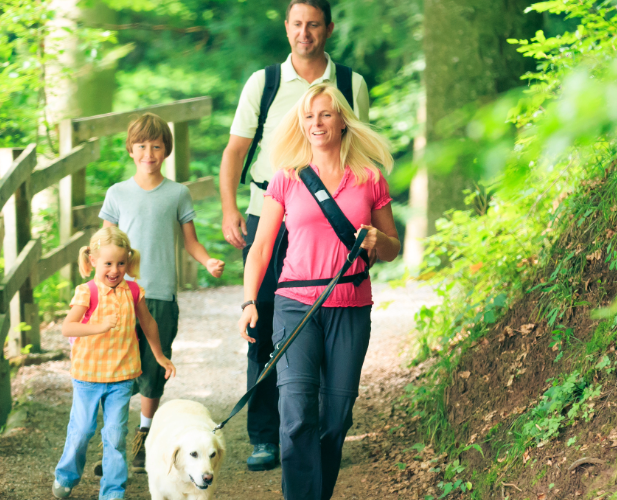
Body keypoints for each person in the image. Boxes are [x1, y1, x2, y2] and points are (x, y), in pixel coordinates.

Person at [218, 0, 370, 472]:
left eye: (314, 25)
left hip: (331, 217)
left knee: (329, 319)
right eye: (297, 25)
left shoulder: (350, 84)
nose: (305, 33)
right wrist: (228, 209)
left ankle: (321, 433)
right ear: (287, 29)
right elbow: (235, 151)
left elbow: (362, 145)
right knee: (264, 324)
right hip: (271, 210)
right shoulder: (262, 84)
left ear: (328, 28)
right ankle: (267, 436)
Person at [238, 83, 401, 500]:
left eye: (325, 114)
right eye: (309, 116)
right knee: (295, 416)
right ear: (300, 122)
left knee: (336, 418)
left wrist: (374, 241)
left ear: (342, 120)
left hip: (350, 307)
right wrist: (249, 302)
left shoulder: (369, 178)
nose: (316, 123)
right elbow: (259, 249)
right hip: (296, 306)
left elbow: (393, 249)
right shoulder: (287, 178)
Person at [99, 112, 225, 473]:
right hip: (121, 294)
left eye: (156, 146)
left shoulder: (177, 193)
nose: (149, 153)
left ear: (166, 150)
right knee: (117, 369)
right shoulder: (117, 193)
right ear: (131, 149)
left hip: (160, 296)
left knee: (154, 368)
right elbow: (105, 244)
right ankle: (112, 446)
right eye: (141, 146)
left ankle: (144, 434)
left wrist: (207, 262)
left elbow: (191, 242)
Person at [53, 226, 177, 500]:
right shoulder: (86, 292)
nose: (114, 269)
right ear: (94, 260)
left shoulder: (133, 291)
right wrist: (97, 326)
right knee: (82, 429)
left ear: (128, 262)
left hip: (121, 377)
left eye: (121, 263)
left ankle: (112, 491)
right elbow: (68, 328)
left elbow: (148, 323)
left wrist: (159, 355)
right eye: (108, 263)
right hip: (87, 376)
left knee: (115, 435)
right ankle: (66, 475)